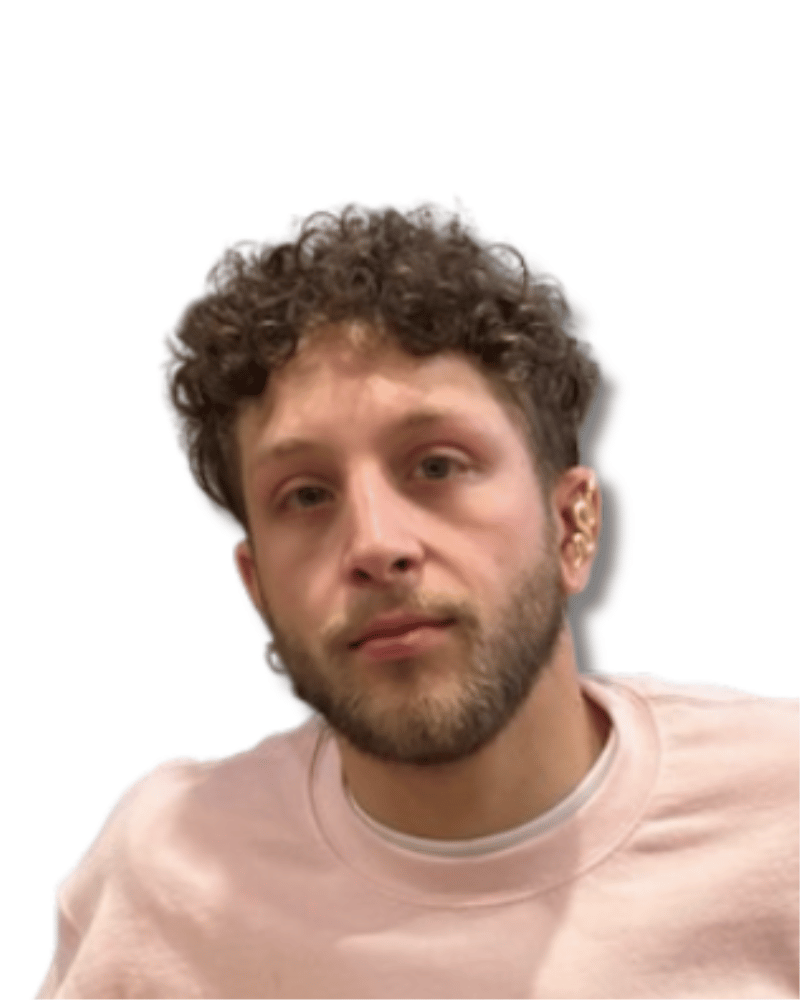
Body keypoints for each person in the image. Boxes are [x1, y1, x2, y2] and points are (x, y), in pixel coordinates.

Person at [38, 206, 798, 999]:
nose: (373, 544)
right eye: (304, 495)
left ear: (572, 526)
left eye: (436, 466)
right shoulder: (168, 879)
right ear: (259, 586)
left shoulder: (781, 820)